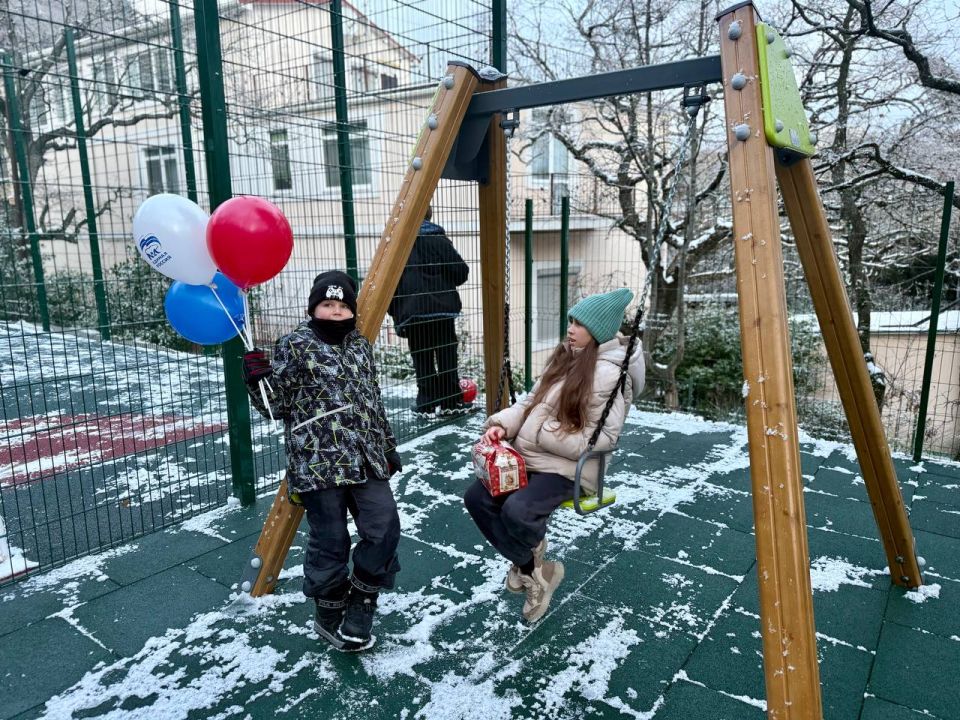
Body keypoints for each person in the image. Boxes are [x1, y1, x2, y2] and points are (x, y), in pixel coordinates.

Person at [242, 270, 402, 652]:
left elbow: (372, 400)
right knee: (329, 540)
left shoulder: (361, 346)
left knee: (384, 527)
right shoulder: (294, 344)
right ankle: (329, 610)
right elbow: (275, 406)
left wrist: (388, 445)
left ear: (351, 311)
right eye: (328, 304)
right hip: (317, 462)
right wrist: (256, 379)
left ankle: (363, 597)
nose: (335, 311)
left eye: (343, 305)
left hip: (365, 456)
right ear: (314, 306)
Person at [463, 288, 644, 622]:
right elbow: (530, 402)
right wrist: (503, 425)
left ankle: (530, 573)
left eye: (579, 324)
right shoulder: (566, 357)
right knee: (477, 497)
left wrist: (540, 432)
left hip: (569, 469)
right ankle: (536, 570)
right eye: (571, 321)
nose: (570, 329)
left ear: (599, 331)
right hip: (529, 456)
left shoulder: (611, 375)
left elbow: (603, 438)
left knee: (518, 511)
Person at [388, 205, 472, 417]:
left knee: (421, 355)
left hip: (412, 311)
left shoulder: (398, 243)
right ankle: (450, 401)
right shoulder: (438, 238)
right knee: (446, 353)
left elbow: (390, 280)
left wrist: (395, 310)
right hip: (442, 311)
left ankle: (425, 402)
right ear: (429, 215)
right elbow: (461, 271)